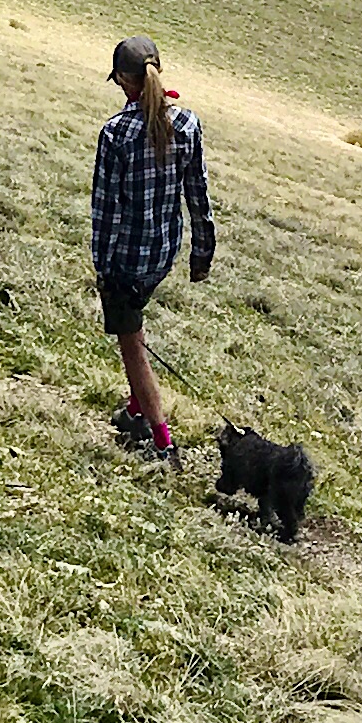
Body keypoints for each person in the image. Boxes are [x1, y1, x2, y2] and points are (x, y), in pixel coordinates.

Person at [90, 34, 214, 459]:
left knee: (132, 345)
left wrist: (101, 267)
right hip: (163, 252)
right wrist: (202, 253)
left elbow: (104, 210)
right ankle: (132, 409)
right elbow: (198, 194)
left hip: (125, 258)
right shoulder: (188, 124)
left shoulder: (116, 133)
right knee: (135, 327)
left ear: (125, 82)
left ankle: (161, 440)